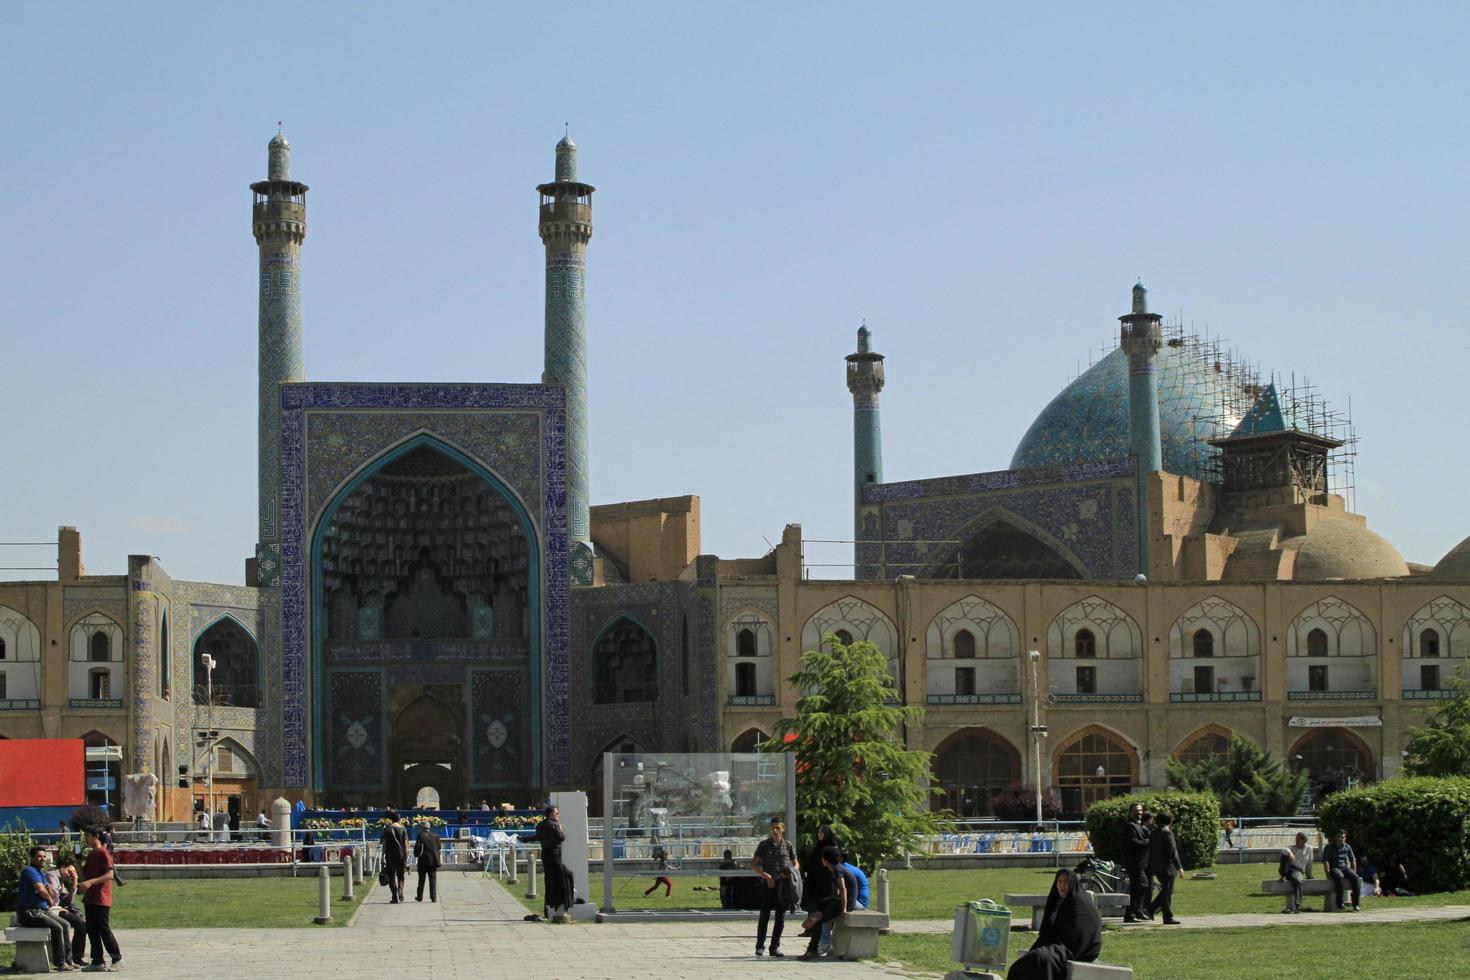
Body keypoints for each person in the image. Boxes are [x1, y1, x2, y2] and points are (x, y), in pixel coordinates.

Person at [1006, 869, 1103, 980]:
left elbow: (1080, 935)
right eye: (1059, 881)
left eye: (1066, 881)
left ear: (1072, 883)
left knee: (1040, 959)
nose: (1062, 885)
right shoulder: (1056, 901)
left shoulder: (1079, 903)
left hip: (1075, 949)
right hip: (1057, 945)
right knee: (1023, 965)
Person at [16, 845, 75, 971]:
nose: (42, 859)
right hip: (28, 912)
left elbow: (49, 890)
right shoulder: (29, 870)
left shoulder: (41, 873)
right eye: (39, 856)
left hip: (41, 911)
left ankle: (69, 960)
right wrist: (49, 900)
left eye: (44, 856)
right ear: (32, 858)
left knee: (65, 924)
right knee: (57, 927)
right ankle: (60, 963)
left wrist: (53, 899)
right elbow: (41, 890)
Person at [751, 816, 799, 958]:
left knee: (780, 917)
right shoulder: (764, 845)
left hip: (783, 885)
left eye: (778, 828)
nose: (775, 830)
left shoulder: (788, 845)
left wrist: (790, 872)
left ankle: (775, 947)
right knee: (764, 916)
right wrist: (766, 877)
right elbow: (754, 865)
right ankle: (760, 946)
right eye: (773, 828)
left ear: (783, 829)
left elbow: (796, 863)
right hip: (768, 884)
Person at [78, 827, 122, 972]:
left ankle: (117, 959)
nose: (85, 838)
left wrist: (91, 882)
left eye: (87, 836)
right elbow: (85, 878)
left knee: (103, 929)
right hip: (90, 898)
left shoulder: (103, 853)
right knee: (92, 930)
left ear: (96, 836)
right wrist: (77, 863)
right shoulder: (91, 855)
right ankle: (97, 961)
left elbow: (109, 875)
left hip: (101, 898)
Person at [799, 847, 850, 961]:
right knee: (813, 902)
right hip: (837, 899)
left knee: (818, 921)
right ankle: (816, 913)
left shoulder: (837, 870)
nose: (821, 860)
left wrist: (844, 908)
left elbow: (843, 889)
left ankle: (812, 950)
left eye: (822, 858)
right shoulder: (834, 869)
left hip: (846, 901)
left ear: (826, 860)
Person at [531, 804, 575, 919]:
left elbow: (538, 837)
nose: (558, 815)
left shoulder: (540, 825)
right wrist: (560, 829)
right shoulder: (555, 825)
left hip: (545, 854)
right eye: (557, 813)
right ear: (551, 814)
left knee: (549, 880)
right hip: (555, 855)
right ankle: (561, 904)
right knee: (562, 879)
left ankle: (548, 906)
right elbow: (561, 838)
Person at [1145, 812, 1183, 924]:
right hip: (1167, 867)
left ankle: (1152, 909)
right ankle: (1166, 916)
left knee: (1167, 891)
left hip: (1157, 866)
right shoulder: (1167, 833)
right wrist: (1179, 867)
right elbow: (1172, 852)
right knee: (1167, 892)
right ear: (1170, 821)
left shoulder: (1154, 833)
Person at [55, 855, 88, 968]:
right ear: (63, 867)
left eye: (73, 873)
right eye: (69, 871)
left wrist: (75, 883)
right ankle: (75, 957)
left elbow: (68, 901)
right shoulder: (53, 876)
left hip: (61, 908)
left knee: (82, 922)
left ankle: (77, 957)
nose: (71, 875)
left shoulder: (62, 882)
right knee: (80, 922)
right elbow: (54, 897)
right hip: (54, 910)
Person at [1121, 803, 1151, 922]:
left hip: (1140, 862)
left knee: (1141, 886)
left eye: (1140, 810)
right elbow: (1132, 842)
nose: (1139, 812)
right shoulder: (1130, 826)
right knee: (1140, 886)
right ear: (1130, 812)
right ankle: (1131, 914)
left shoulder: (1138, 825)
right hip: (1134, 863)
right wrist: (1147, 841)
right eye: (1136, 810)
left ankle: (1137, 911)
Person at [1322, 830, 1362, 912]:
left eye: (1342, 837)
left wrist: (1353, 871)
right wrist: (1327, 873)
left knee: (1356, 878)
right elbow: (1325, 861)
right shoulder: (1329, 847)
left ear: (1345, 838)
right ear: (1335, 837)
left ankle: (1356, 904)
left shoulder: (1347, 846)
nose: (1340, 839)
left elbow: (1352, 860)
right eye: (1339, 837)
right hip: (1334, 868)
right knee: (1340, 877)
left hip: (1344, 868)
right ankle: (1339, 902)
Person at [1278, 832, 1314, 913]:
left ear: (1304, 840)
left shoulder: (1309, 849)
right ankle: (1283, 875)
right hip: (1287, 868)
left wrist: (1309, 874)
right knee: (1284, 854)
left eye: (1298, 839)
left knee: (1298, 881)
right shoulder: (1291, 847)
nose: (1296, 841)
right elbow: (1283, 850)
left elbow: (1309, 862)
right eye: (1296, 839)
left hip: (1297, 870)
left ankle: (1298, 906)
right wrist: (1290, 853)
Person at [379, 809, 408, 904]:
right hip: (400, 856)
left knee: (391, 876)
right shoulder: (403, 829)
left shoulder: (387, 829)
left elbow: (384, 844)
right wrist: (406, 858)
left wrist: (382, 856)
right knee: (401, 876)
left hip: (390, 856)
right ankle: (400, 890)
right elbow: (405, 845)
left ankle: (394, 896)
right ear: (399, 820)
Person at [413, 820, 442, 903]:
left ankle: (419, 896)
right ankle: (434, 897)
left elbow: (417, 847)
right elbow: (439, 847)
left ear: (422, 828)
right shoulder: (436, 836)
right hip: (433, 860)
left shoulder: (420, 835)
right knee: (433, 879)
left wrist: (416, 854)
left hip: (423, 860)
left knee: (421, 879)